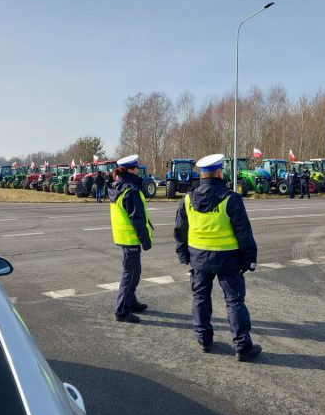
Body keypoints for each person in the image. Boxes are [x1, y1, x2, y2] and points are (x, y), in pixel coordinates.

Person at [174, 154, 261, 361]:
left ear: (201, 174)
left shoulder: (187, 199)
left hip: (199, 260)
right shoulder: (231, 199)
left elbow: (180, 231)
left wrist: (183, 254)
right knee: (234, 302)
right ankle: (242, 346)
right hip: (227, 260)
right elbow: (244, 233)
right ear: (220, 172)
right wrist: (249, 259)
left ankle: (204, 340)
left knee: (200, 298)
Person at [108, 155, 153, 323]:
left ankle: (130, 301)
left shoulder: (118, 186)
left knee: (135, 272)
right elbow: (137, 219)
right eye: (136, 168)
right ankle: (121, 310)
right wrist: (145, 240)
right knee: (130, 274)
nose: (138, 170)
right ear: (131, 169)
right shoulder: (131, 190)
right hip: (130, 238)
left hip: (123, 236)